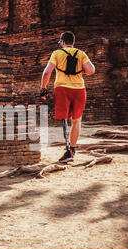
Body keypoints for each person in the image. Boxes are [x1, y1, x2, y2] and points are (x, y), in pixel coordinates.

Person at [40, 31, 95, 163]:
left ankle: (68, 151)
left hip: (62, 88)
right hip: (79, 89)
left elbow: (47, 72)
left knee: (64, 118)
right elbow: (91, 70)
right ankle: (73, 149)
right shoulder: (81, 54)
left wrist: (43, 88)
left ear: (63, 42)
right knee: (76, 120)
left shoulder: (57, 53)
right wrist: (80, 70)